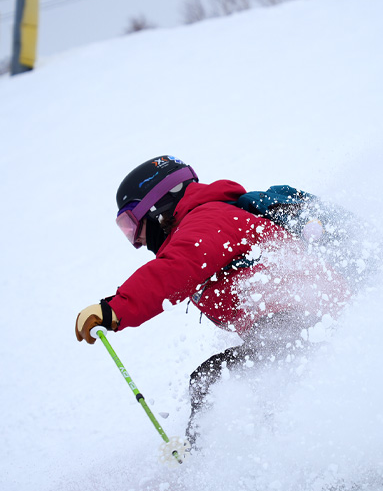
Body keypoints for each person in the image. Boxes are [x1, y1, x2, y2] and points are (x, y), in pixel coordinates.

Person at [75, 155, 352, 446]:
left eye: (131, 224)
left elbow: (175, 270)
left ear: (157, 206)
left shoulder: (206, 218)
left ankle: (240, 466)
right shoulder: (204, 221)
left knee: (214, 381)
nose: (138, 242)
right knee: (228, 379)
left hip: (303, 319)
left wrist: (114, 310)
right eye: (126, 231)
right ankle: (268, 457)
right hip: (295, 321)